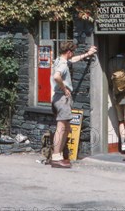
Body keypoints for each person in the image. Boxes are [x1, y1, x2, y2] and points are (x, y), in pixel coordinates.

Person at [50, 41, 97, 169]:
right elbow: (56, 76)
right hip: (61, 99)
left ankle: (59, 155)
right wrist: (64, 89)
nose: (73, 55)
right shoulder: (63, 65)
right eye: (73, 52)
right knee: (61, 127)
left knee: (65, 128)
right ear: (69, 52)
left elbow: (73, 60)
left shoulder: (59, 60)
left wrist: (87, 54)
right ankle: (55, 157)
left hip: (57, 99)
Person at [108, 51, 125, 153]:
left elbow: (109, 79)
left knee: (120, 121)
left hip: (116, 95)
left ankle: (123, 144)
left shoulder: (110, 63)